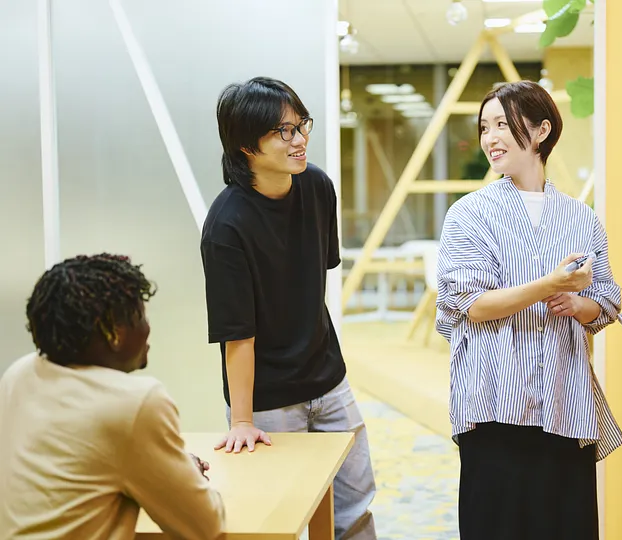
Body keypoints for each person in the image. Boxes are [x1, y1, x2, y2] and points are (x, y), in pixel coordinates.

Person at [435, 81, 622, 540]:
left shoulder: (581, 218)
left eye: (503, 124)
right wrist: (549, 285)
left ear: (542, 130)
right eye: (485, 127)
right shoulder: (469, 215)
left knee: (566, 527)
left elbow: (608, 300)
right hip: (493, 404)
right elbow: (471, 304)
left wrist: (581, 302)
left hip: (565, 401)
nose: (490, 137)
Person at [200, 77, 376, 540]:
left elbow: (315, 278)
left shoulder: (316, 186)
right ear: (245, 146)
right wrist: (242, 420)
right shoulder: (226, 226)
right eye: (283, 132)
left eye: (301, 126)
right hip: (269, 401)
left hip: (329, 379)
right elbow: (237, 334)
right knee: (275, 520)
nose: (299, 141)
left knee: (355, 505)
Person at [0, 254, 225, 539]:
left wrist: (166, 465)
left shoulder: (19, 375)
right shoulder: (136, 403)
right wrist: (184, 473)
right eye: (141, 315)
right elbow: (207, 528)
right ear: (114, 333)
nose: (148, 328)